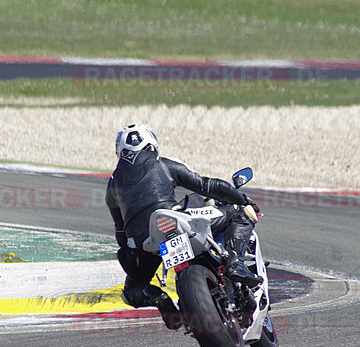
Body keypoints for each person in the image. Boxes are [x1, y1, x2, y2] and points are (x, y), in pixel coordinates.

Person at [106, 124, 261, 330]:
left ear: (120, 150)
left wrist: (133, 259)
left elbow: (121, 233)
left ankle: (163, 303)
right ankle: (235, 261)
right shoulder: (162, 163)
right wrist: (244, 199)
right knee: (238, 213)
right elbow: (207, 185)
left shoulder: (112, 184)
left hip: (148, 242)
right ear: (151, 143)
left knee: (132, 289)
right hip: (174, 220)